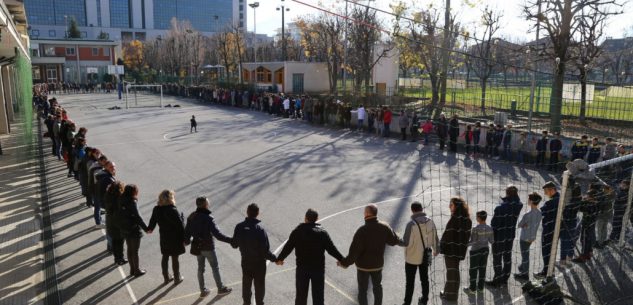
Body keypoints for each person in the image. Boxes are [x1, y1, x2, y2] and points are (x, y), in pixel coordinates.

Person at [275, 209, 344, 305]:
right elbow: (331, 249)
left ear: (305, 218)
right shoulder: (322, 233)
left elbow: (288, 247)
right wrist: (342, 260)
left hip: (302, 269)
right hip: (318, 269)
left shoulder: (297, 231)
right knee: (318, 297)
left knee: (301, 297)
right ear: (317, 219)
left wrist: (280, 259)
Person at [340, 204, 400, 305]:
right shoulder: (384, 227)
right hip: (377, 265)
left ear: (367, 213)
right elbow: (393, 241)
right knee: (378, 287)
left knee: (362, 291)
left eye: (364, 212)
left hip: (363, 267)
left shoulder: (361, 231)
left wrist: (345, 263)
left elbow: (354, 252)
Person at [185, 197, 233, 297]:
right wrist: (231, 240)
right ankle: (220, 288)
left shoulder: (191, 217)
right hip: (208, 247)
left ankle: (203, 291)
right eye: (208, 202)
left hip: (197, 247)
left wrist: (186, 242)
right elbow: (218, 235)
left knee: (200, 269)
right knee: (215, 268)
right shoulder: (208, 218)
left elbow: (187, 234)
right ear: (205, 204)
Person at [231, 203, 277, 305]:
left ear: (247, 212)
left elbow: (234, 244)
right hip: (259, 264)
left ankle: (246, 303)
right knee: (259, 286)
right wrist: (275, 259)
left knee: (246, 284)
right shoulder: (260, 230)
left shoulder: (239, 227)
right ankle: (259, 303)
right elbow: (265, 251)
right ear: (258, 213)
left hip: (246, 261)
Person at [398, 202, 439, 305]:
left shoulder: (411, 225)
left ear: (412, 210)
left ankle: (407, 303)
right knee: (424, 279)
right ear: (422, 209)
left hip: (412, 258)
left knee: (410, 283)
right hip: (425, 256)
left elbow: (405, 243)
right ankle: (424, 299)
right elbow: (435, 238)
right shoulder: (431, 221)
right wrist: (436, 249)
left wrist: (396, 239)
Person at [148, 190, 187, 285]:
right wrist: (185, 238)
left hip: (164, 236)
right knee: (174, 257)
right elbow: (180, 226)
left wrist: (149, 229)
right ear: (170, 198)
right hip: (175, 237)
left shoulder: (156, 209)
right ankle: (177, 278)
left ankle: (166, 277)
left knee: (165, 256)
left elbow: (152, 223)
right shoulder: (172, 210)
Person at [487, 185, 523, 287]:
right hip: (510, 236)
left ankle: (497, 280)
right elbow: (516, 202)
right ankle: (504, 279)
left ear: (507, 193)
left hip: (499, 237)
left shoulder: (500, 208)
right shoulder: (519, 205)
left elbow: (494, 224)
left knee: (497, 258)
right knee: (507, 258)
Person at [439, 197, 472, 302]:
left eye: (451, 204)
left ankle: (450, 296)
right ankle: (448, 293)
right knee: (454, 272)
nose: (449, 206)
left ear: (456, 206)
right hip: (459, 251)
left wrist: (441, 247)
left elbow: (447, 235)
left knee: (452, 273)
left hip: (451, 251)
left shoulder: (455, 219)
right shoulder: (467, 219)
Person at [118, 184, 149, 277]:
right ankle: (137, 270)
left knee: (129, 249)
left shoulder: (121, 199)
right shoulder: (132, 202)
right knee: (135, 251)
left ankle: (132, 269)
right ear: (133, 192)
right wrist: (146, 228)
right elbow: (138, 217)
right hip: (133, 228)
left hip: (124, 227)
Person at [514, 192, 543, 280]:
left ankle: (524, 274)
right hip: (532, 237)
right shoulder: (539, 213)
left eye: (528, 199)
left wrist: (523, 225)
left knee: (525, 255)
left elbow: (519, 225)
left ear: (531, 201)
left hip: (524, 237)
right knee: (526, 253)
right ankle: (522, 267)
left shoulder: (527, 214)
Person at [535, 182, 560, 278]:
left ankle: (546, 272)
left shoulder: (550, 203)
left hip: (549, 230)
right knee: (552, 251)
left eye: (546, 191)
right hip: (556, 230)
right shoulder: (559, 199)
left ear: (551, 190)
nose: (545, 193)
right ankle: (550, 270)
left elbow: (541, 212)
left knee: (546, 251)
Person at [465, 211, 493, 294]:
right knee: (482, 269)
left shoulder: (475, 228)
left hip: (475, 251)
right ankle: (480, 288)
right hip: (485, 251)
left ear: (479, 218)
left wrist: (465, 245)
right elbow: (491, 241)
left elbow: (473, 241)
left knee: (473, 270)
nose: (476, 218)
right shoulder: (489, 228)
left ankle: (472, 289)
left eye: (477, 217)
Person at [572, 187, 600, 263]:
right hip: (591, 225)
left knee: (583, 240)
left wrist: (581, 200)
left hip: (586, 225)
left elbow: (580, 208)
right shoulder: (595, 204)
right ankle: (588, 253)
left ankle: (583, 257)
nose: (586, 196)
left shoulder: (590, 205)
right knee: (589, 239)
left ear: (591, 197)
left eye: (587, 195)